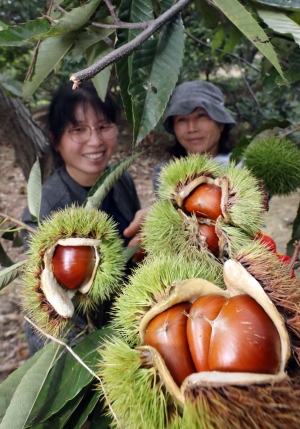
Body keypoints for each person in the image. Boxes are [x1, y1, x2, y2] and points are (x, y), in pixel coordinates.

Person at [22, 80, 146, 354]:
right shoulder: (47, 208)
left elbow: (131, 257)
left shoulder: (121, 180)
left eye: (103, 127)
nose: (96, 140)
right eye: (78, 130)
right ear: (56, 140)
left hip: (133, 326)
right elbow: (47, 308)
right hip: (85, 347)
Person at [153, 80, 236, 192]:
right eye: (182, 119)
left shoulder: (246, 168)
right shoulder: (164, 175)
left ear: (221, 124)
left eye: (201, 116)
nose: (191, 129)